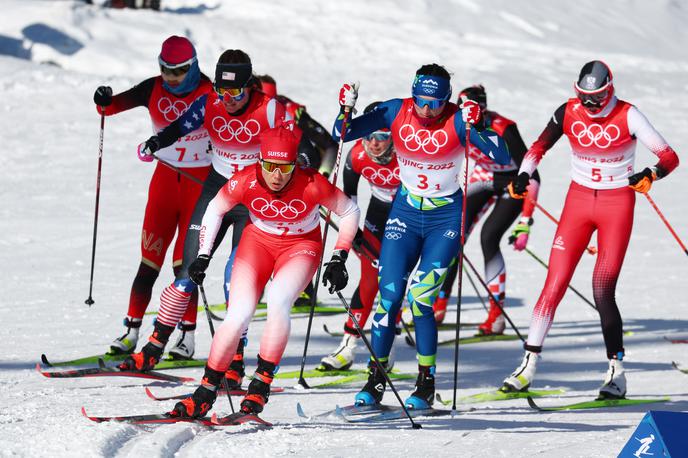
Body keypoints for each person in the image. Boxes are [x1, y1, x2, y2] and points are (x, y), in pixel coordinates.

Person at [333, 64, 511, 409]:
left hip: (444, 218)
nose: (427, 110)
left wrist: (480, 124)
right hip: (405, 214)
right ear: (412, 94)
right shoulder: (395, 110)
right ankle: (376, 376)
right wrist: (345, 109)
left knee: (421, 299)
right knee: (389, 298)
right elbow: (343, 134)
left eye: (435, 103)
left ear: (446, 99)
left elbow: (502, 155)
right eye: (421, 101)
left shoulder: (459, 119)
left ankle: (425, 381)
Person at [502, 60, 680, 399]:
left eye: (596, 97)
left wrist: (650, 174)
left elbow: (669, 156)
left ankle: (617, 373)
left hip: (617, 205)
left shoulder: (629, 115)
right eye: (584, 96)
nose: (589, 104)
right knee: (554, 282)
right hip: (578, 203)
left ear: (609, 90)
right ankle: (528, 366)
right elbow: (538, 148)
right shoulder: (568, 111)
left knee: (602, 289)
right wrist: (523, 174)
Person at [118, 50, 287, 391]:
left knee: (234, 283)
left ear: (249, 87)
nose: (228, 101)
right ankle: (154, 346)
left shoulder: (269, 108)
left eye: (236, 93)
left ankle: (235, 363)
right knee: (188, 270)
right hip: (217, 190)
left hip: (254, 199)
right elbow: (180, 126)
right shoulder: (210, 103)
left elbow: (291, 147)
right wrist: (156, 142)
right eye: (223, 93)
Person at [168, 122, 360, 418]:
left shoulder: (312, 184)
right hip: (257, 243)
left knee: (278, 301)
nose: (277, 175)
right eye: (270, 165)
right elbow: (215, 209)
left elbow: (349, 211)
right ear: (260, 161)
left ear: (295, 163)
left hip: (300, 247)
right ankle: (205, 392)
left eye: (285, 167)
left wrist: (339, 256)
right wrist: (203, 255)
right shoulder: (244, 180)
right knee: (237, 314)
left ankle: (260, 384)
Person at [92, 36, 213, 359]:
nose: (172, 78)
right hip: (163, 184)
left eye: (179, 71)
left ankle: (186, 339)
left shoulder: (210, 93)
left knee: (184, 268)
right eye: (166, 70)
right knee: (148, 262)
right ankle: (131, 332)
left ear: (194, 65)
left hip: (198, 185)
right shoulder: (152, 88)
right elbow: (113, 105)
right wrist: (103, 100)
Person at [432, 85, 541, 335]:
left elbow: (533, 176)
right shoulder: (456, 124)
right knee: (452, 237)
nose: (469, 117)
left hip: (512, 185)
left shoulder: (503, 128)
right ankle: (438, 305)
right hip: (481, 180)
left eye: (475, 111)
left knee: (488, 238)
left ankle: (496, 315)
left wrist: (525, 222)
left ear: (484, 109)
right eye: (464, 112)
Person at [320, 101, 401, 371]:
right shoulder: (356, 155)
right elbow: (349, 199)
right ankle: (347, 347)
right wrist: (351, 230)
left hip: (409, 217)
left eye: (381, 137)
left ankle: (386, 348)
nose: (374, 144)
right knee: (368, 280)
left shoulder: (406, 153)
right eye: (369, 136)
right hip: (377, 214)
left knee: (394, 283)